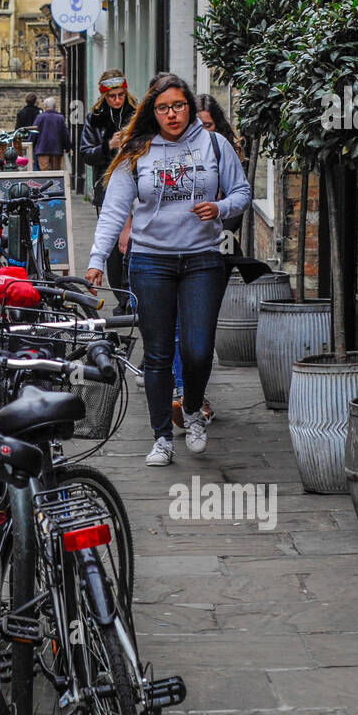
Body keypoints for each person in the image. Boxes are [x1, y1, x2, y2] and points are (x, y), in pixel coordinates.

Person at [85, 73, 251, 466]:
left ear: (189, 107)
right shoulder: (137, 149)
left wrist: (221, 208)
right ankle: (162, 436)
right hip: (150, 261)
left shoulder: (215, 144)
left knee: (197, 349)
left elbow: (242, 192)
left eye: (178, 106)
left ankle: (191, 409)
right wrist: (96, 260)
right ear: (152, 112)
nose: (172, 114)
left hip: (203, 260)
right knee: (158, 353)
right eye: (162, 108)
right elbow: (114, 209)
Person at [170, 92, 245, 430]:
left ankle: (192, 392)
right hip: (176, 249)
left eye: (208, 123)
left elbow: (239, 202)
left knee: (199, 329)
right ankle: (186, 394)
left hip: (216, 251)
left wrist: (217, 219)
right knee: (176, 325)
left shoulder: (223, 151)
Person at [80, 70, 138, 304]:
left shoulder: (136, 113)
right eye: (112, 96)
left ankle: (134, 292)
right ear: (104, 96)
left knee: (133, 242)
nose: (117, 100)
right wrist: (108, 146)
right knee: (113, 244)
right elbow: (85, 153)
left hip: (135, 186)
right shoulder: (95, 117)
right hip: (105, 188)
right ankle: (122, 299)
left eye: (120, 94)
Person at [31, 96, 70, 171]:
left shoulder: (40, 117)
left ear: (45, 107)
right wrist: (68, 147)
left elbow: (34, 133)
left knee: (44, 173)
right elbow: (65, 135)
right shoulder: (60, 118)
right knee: (56, 173)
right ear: (55, 107)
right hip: (56, 150)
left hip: (42, 150)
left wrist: (31, 145)